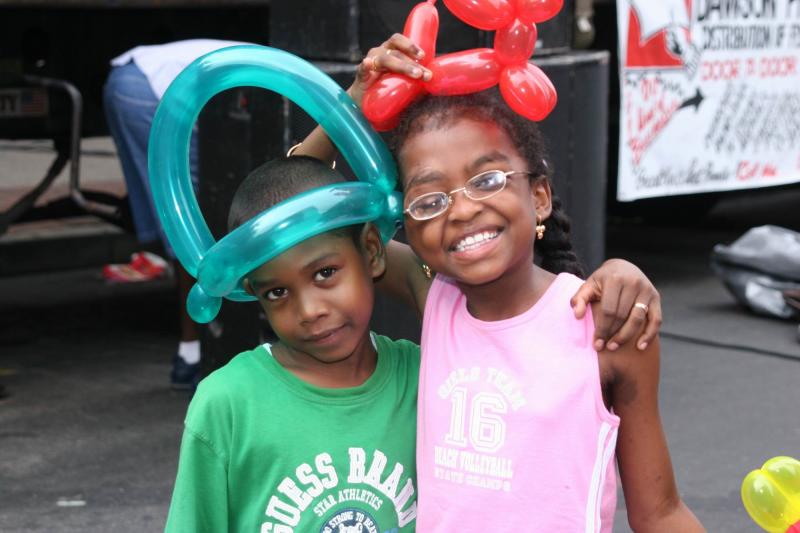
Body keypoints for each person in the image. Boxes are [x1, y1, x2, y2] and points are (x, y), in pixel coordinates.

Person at [298, 35, 702, 531]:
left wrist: (628, 268)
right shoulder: (436, 296)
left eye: (487, 181)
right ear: (408, 228)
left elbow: (659, 512)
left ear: (539, 197)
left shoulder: (603, 329)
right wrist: (357, 97)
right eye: (429, 200)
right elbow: (295, 210)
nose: (463, 209)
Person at [165, 156, 421, 532]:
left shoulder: (424, 380)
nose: (309, 311)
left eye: (325, 273)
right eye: (278, 292)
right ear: (254, 292)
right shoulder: (228, 403)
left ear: (371, 251)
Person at [103, 39, 247, 389]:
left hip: (125, 79)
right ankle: (192, 352)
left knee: (168, 218)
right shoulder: (288, 77)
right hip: (151, 89)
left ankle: (190, 350)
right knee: (192, 222)